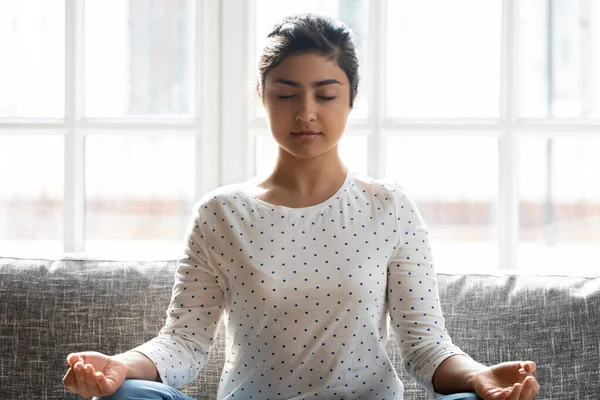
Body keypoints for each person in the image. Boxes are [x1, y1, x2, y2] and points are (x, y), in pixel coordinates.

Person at [62, 13, 540, 400]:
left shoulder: (388, 207)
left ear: (351, 98)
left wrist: (478, 376)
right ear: (262, 98)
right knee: (127, 397)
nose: (306, 112)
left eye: (326, 95)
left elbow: (426, 349)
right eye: (286, 94)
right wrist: (120, 367)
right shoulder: (221, 213)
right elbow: (184, 345)